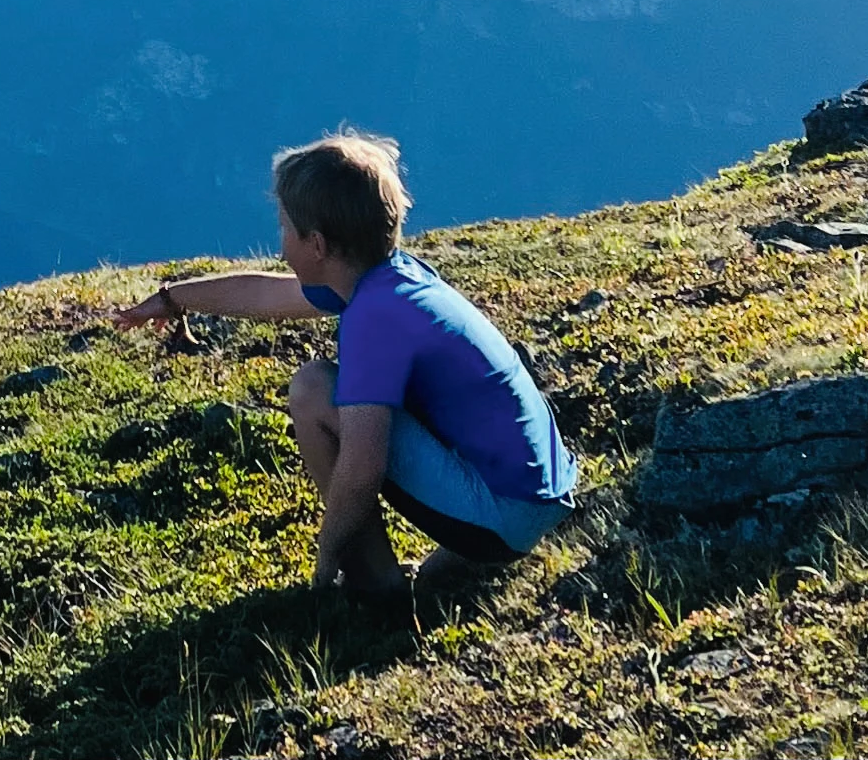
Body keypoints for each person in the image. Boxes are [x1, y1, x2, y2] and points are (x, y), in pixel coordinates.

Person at [111, 128, 578, 593]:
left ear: (316, 244)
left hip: (505, 513)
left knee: (314, 389)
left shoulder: (373, 318)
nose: (280, 244)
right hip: (537, 495)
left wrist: (326, 557)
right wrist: (173, 299)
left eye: (285, 227)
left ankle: (375, 584)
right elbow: (267, 293)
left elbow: (362, 465)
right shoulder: (387, 278)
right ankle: (450, 564)